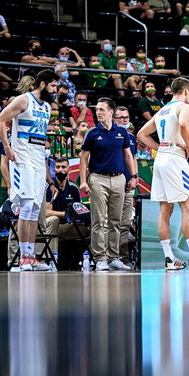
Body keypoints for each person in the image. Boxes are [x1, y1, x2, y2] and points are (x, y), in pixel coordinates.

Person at [136, 77, 189, 270]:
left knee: (165, 210)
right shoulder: (184, 107)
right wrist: (188, 145)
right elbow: (182, 123)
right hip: (175, 158)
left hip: (162, 157)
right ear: (186, 92)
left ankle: (169, 258)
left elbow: (141, 135)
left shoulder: (162, 110)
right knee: (188, 207)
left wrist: (159, 147)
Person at [0, 69, 58, 271]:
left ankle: (31, 255)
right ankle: (24, 257)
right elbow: (0, 121)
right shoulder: (24, 100)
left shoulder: (47, 107)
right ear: (42, 84)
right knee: (27, 206)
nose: (55, 90)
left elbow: (37, 135)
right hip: (22, 159)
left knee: (35, 208)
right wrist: (6, 146)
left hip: (39, 160)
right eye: (53, 86)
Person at [79, 97, 137, 271]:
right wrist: (83, 180)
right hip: (98, 178)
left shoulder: (122, 132)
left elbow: (128, 155)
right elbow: (83, 158)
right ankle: (100, 258)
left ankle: (113, 257)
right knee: (99, 220)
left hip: (119, 178)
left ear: (111, 112)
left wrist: (133, 176)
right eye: (97, 109)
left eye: (102, 109)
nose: (98, 112)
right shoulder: (92, 133)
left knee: (116, 220)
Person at [44, 157, 90, 255]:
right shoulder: (49, 187)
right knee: (54, 220)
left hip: (69, 227)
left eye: (63, 167)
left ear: (69, 170)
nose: (60, 170)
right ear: (54, 170)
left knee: (95, 224)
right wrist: (67, 214)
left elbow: (78, 210)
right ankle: (51, 258)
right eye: (58, 167)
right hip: (51, 226)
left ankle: (95, 258)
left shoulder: (73, 188)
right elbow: (47, 213)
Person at [114, 106, 138, 268]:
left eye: (126, 117)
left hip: (129, 185)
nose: (124, 120)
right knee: (112, 222)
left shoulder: (131, 138)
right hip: (114, 182)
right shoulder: (111, 135)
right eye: (121, 117)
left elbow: (133, 158)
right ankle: (109, 256)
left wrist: (135, 177)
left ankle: (122, 257)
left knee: (124, 223)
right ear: (114, 119)